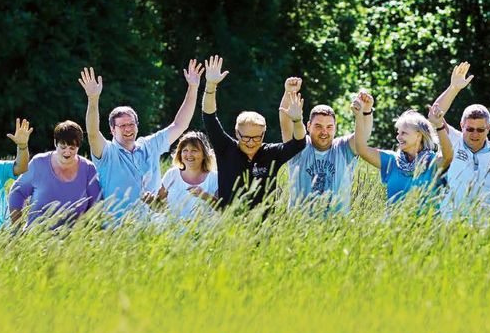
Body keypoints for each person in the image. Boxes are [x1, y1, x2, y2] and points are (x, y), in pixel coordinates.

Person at [79, 58, 203, 214]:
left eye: (131, 124)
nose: (128, 129)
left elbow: (179, 125)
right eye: (122, 125)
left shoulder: (149, 145)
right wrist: (93, 99)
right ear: (112, 130)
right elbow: (92, 132)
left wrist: (193, 87)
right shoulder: (107, 153)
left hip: (154, 230)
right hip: (118, 231)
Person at [200, 55, 307, 209]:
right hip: (228, 227)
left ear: (263, 134)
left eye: (256, 138)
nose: (251, 143)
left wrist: (297, 121)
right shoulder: (225, 148)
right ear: (237, 133)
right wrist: (210, 86)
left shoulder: (272, 154)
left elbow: (299, 143)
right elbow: (209, 117)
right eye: (246, 138)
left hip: (264, 229)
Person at [278, 77, 372, 213]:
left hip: (338, 229)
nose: (324, 132)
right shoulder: (299, 147)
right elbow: (286, 124)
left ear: (335, 128)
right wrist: (289, 92)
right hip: (299, 228)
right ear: (308, 126)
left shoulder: (343, 148)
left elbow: (363, 137)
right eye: (318, 126)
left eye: (329, 127)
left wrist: (366, 111)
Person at [427, 62, 490, 220]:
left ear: (489, 128)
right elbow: (434, 116)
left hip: (483, 226)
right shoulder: (452, 139)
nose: (475, 134)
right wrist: (454, 88)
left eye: (480, 130)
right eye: (469, 129)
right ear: (461, 125)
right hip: (449, 222)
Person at [354, 95, 453, 204]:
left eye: (404, 133)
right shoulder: (391, 161)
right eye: (398, 133)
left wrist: (439, 125)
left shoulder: (431, 162)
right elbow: (361, 149)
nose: (398, 137)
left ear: (419, 135)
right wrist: (360, 115)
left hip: (427, 221)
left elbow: (448, 157)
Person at [8, 121, 101, 227]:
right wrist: (16, 229)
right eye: (63, 147)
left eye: (72, 148)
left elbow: (97, 205)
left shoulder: (88, 169)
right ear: (55, 143)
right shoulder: (39, 163)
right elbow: (17, 192)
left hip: (74, 239)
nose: (67, 152)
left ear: (78, 147)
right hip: (35, 238)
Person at [142, 131, 219, 219]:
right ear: (180, 154)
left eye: (194, 150)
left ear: (204, 155)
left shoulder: (214, 178)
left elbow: (223, 210)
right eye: (185, 150)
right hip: (171, 230)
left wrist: (205, 196)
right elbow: (160, 208)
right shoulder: (172, 174)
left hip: (200, 231)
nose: (189, 155)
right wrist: (151, 201)